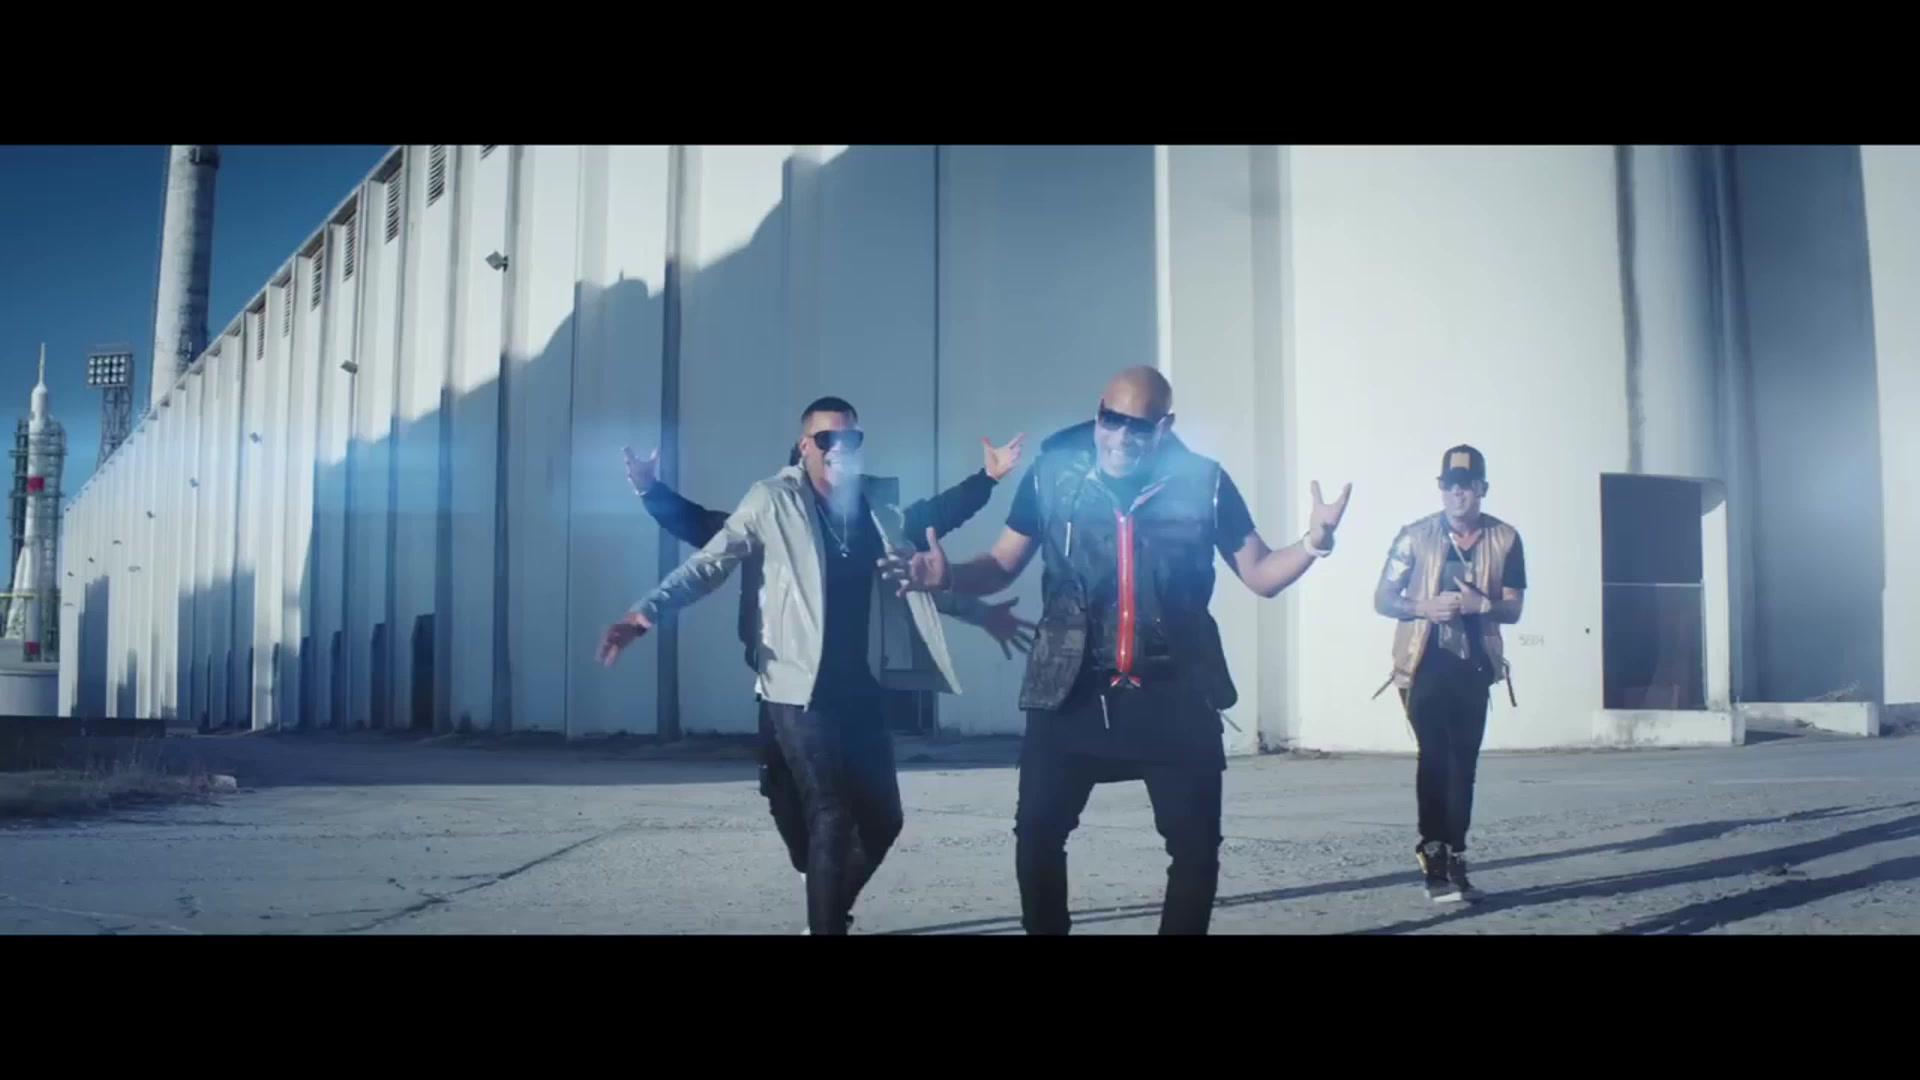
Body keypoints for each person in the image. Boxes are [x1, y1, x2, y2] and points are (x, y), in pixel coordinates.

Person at [880, 366, 1351, 935]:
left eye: (1139, 427)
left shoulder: (1204, 483)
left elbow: (1261, 573)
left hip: (1175, 689)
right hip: (1070, 685)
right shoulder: (1053, 473)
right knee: (1037, 834)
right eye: (1111, 420)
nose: (1121, 437)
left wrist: (1314, 543)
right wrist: (947, 575)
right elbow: (1003, 563)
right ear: (1098, 412)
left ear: (1164, 427)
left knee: (1195, 847)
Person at [598, 396, 1025, 935]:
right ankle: (823, 907)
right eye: (827, 440)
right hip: (791, 683)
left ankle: (824, 901)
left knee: (882, 821)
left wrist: (987, 487)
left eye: (851, 439)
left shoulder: (873, 513)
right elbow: (705, 553)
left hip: (858, 685)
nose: (840, 449)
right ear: (805, 447)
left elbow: (928, 537)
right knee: (816, 808)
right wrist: (642, 612)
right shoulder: (771, 504)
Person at [1371, 444, 1526, 904]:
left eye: (1467, 486)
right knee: (1435, 755)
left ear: (1482, 488)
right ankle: (1433, 852)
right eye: (1450, 486)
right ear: (1441, 489)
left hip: (1475, 666)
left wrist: (1483, 605)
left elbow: (1514, 607)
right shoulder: (1414, 536)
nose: (1458, 494)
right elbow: (1383, 598)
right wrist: (1424, 607)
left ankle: (1457, 852)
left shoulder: (1506, 539)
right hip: (1424, 663)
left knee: (1464, 764)